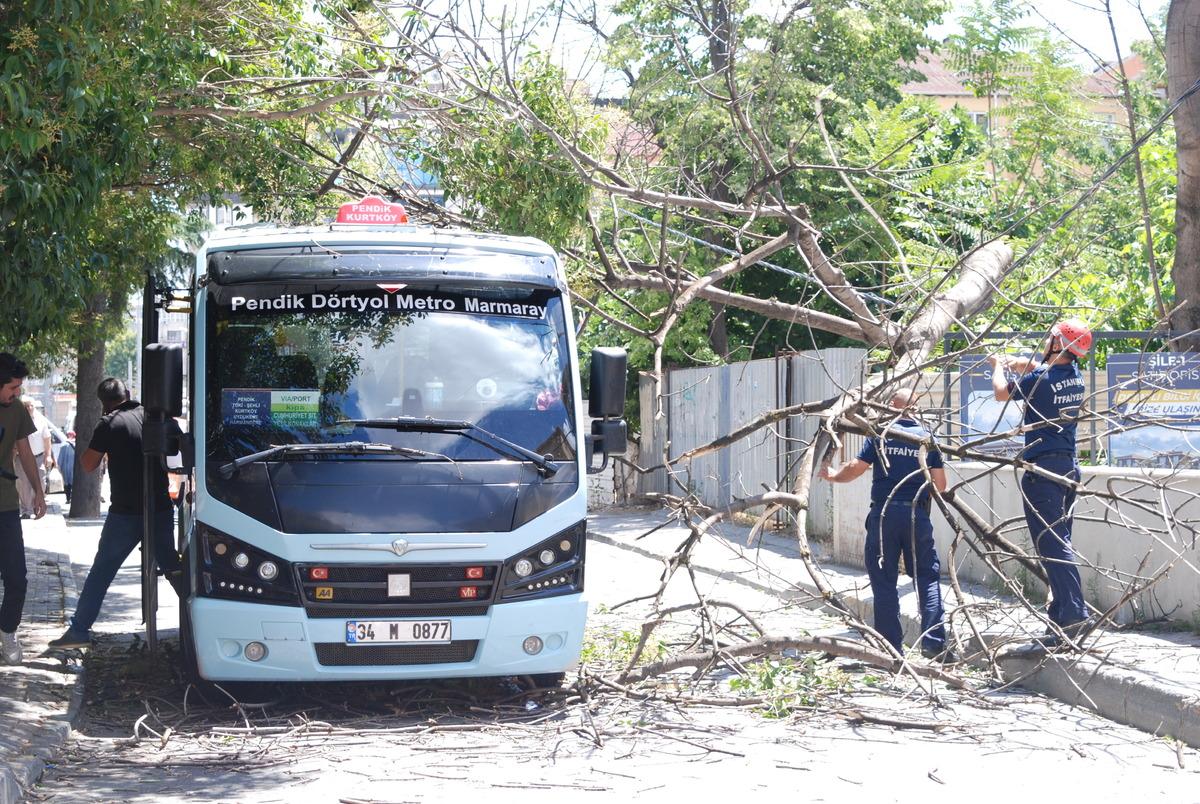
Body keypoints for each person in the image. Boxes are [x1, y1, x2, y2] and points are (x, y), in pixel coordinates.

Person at [819, 389, 952, 661]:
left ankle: (891, 649)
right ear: (915, 408)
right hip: (917, 515)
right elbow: (940, 485)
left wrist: (833, 476)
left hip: (884, 517)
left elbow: (856, 467)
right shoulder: (927, 439)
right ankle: (934, 644)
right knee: (927, 577)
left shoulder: (881, 435)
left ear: (891, 407)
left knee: (884, 582)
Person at [49, 378, 183, 649]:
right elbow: (178, 452)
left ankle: (79, 631)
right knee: (172, 567)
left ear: (103, 403)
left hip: (125, 512)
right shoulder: (156, 417)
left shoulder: (110, 424)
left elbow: (87, 464)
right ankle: (197, 618)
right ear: (128, 394)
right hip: (159, 507)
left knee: (102, 572)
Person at [989, 319, 1091, 645]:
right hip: (1069, 469)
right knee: (1061, 542)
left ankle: (1074, 615)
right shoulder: (1075, 378)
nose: (1046, 341)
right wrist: (1023, 363)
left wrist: (997, 367)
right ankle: (1060, 621)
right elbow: (1045, 373)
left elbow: (1001, 393)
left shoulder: (1040, 379)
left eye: (1051, 338)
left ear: (1059, 345)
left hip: (1042, 471)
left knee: (1052, 546)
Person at [0, 353, 47, 664]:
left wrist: (38, 491)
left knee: (17, 577)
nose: (16, 392)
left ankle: (7, 633)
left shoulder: (16, 409)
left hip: (5, 505)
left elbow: (26, 452)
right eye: (12, 387)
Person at [15, 397, 51, 517]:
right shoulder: (18, 420)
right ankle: (26, 510)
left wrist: (48, 455)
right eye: (27, 406)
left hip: (39, 456)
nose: (30, 408)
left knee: (40, 482)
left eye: (32, 406)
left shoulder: (41, 420)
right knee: (23, 484)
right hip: (21, 457)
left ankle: (38, 505)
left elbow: (47, 439)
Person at [59, 431, 76, 505]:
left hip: (65, 468)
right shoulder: (76, 445)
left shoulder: (63, 445)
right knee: (73, 482)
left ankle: (68, 498)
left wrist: (60, 468)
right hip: (74, 468)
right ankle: (73, 497)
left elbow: (60, 460)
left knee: (66, 483)